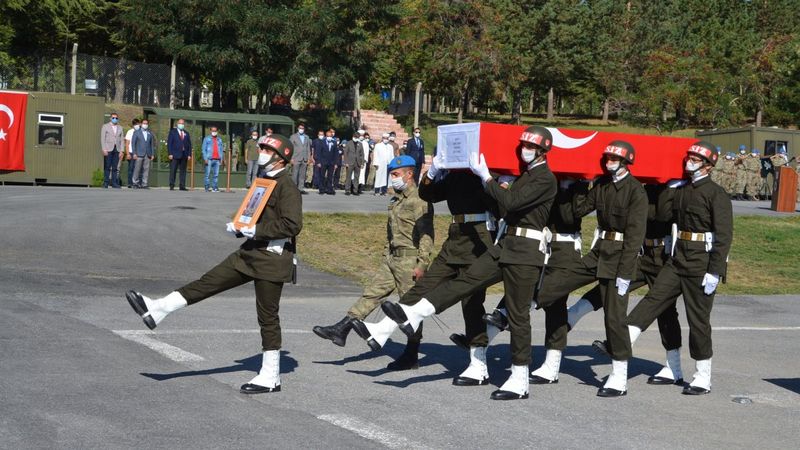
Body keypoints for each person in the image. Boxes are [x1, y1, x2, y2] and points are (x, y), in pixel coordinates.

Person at [360, 126, 558, 400]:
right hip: (505, 245)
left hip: (526, 251)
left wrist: (489, 178)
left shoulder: (545, 178)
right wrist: (438, 171)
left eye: (531, 147)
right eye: (523, 145)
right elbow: (498, 205)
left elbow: (510, 203)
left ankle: (519, 378)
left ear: (543, 150)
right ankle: (415, 313)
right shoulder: (524, 176)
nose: (525, 150)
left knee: (517, 315)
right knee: (466, 283)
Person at [125, 134, 302, 394]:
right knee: (208, 282)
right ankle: (160, 308)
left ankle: (270, 375)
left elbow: (292, 224)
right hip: (250, 253)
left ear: (280, 156)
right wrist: (241, 228)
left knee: (267, 316)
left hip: (271, 259)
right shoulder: (264, 181)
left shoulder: (288, 186)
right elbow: (255, 214)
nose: (261, 151)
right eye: (261, 147)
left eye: (266, 148)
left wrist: (256, 229)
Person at [352, 154, 500, 376]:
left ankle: (478, 366)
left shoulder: (485, 173)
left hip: (479, 239)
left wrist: (486, 176)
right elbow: (428, 194)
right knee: (423, 286)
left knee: (471, 303)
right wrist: (432, 172)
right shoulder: (456, 175)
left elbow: (500, 205)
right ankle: (383, 329)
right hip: (456, 237)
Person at [624, 141, 732, 395]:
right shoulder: (681, 190)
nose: (689, 161)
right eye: (689, 157)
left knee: (698, 321)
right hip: (677, 258)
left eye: (695, 158)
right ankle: (623, 341)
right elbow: (662, 216)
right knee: (654, 299)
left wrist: (715, 270)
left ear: (707, 165)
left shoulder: (716, 194)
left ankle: (703, 376)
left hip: (701, 263)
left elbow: (724, 235)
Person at [312, 155, 433, 370]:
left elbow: (426, 235)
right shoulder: (396, 200)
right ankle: (342, 328)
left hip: (409, 259)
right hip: (392, 258)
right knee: (371, 293)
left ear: (409, 174)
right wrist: (386, 254)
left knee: (410, 309)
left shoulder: (419, 199)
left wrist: (422, 264)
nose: (393, 179)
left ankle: (411, 353)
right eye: (391, 175)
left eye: (396, 174)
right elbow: (391, 232)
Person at [167, 119, 193, 191]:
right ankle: (172, 185)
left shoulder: (186, 133)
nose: (181, 125)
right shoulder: (172, 132)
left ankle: (182, 186)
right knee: (173, 170)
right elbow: (169, 144)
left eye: (183, 123)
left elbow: (189, 145)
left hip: (184, 155)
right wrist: (170, 153)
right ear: (177, 124)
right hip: (175, 155)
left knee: (183, 171)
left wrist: (189, 154)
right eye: (180, 123)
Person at [100, 112, 124, 188]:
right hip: (108, 149)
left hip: (117, 149)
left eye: (116, 118)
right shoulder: (105, 126)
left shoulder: (120, 127)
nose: (115, 119)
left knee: (115, 167)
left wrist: (122, 151)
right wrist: (104, 149)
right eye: (113, 118)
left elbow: (122, 140)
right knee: (107, 166)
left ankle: (114, 183)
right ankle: (106, 182)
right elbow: (102, 138)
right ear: (110, 118)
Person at [130, 119, 156, 189]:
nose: (145, 125)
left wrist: (152, 154)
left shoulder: (149, 133)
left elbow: (152, 145)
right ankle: (135, 183)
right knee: (137, 169)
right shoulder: (136, 132)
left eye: (147, 123)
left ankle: (144, 184)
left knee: (146, 170)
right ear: (141, 124)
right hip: (139, 154)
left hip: (147, 154)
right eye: (144, 123)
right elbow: (133, 143)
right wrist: (134, 153)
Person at [314, 129, 339, 195]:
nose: (329, 137)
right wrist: (318, 162)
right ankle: (321, 189)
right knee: (322, 176)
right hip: (323, 162)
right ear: (326, 136)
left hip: (331, 163)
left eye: (330, 136)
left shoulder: (334, 142)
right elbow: (318, 153)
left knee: (330, 176)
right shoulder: (322, 142)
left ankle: (329, 189)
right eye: (328, 136)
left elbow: (336, 154)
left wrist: (336, 163)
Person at [202, 127, 225, 192]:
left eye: (215, 130)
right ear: (210, 131)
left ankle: (214, 187)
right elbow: (203, 149)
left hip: (217, 159)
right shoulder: (207, 139)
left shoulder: (219, 140)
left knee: (216, 175)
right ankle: (207, 187)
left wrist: (221, 159)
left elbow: (221, 150)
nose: (214, 132)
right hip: (209, 159)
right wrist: (205, 158)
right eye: (213, 130)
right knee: (208, 174)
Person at [289, 123, 311, 194]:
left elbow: (308, 148)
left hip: (304, 158)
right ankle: (293, 188)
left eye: (303, 128)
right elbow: (290, 148)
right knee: (295, 174)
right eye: (300, 128)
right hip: (296, 158)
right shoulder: (293, 136)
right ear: (298, 129)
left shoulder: (306, 137)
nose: (301, 129)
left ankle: (300, 188)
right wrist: (291, 158)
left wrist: (308, 158)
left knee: (302, 175)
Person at [124, 119, 140, 188]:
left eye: (138, 124)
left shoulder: (140, 132)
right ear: (133, 125)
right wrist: (127, 154)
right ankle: (130, 183)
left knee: (138, 168)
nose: (137, 125)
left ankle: (137, 182)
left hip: (139, 153)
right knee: (131, 168)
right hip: (131, 152)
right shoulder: (130, 132)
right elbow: (127, 144)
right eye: (135, 124)